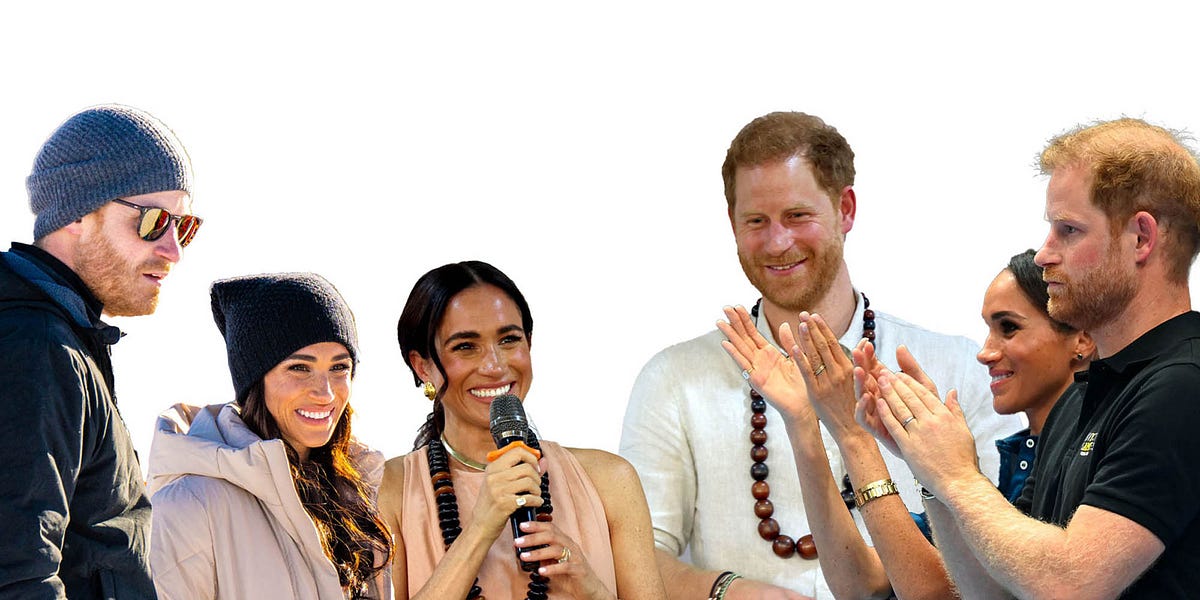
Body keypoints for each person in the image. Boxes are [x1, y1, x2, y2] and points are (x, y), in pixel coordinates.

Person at [619, 111, 1021, 599]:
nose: (778, 242)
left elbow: (1005, 549)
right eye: (756, 221)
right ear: (732, 224)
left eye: (797, 216)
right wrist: (736, 592)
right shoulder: (674, 380)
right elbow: (635, 556)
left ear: (845, 209)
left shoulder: (958, 368)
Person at [865, 117, 1200, 598]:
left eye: (1069, 230)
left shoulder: (1183, 386)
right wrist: (933, 471)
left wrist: (956, 474)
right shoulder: (1077, 401)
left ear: (1141, 239)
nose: (1044, 254)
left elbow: (1071, 584)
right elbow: (999, 592)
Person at [0, 104, 199, 598]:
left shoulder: (61, 339)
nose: (174, 249)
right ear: (76, 213)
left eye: (184, 226)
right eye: (154, 221)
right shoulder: (36, 348)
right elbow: (18, 574)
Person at [377, 260, 666, 599]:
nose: (494, 365)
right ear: (422, 366)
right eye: (465, 346)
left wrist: (591, 589)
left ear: (529, 343)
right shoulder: (387, 491)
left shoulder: (610, 481)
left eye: (509, 339)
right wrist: (481, 526)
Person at [147, 273, 393, 599]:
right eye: (299, 368)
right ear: (255, 379)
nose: (326, 393)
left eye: (339, 368)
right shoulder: (190, 504)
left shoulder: (357, 492)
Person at [978, 249, 1093, 502]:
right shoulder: (1023, 456)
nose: (984, 353)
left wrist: (954, 474)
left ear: (1082, 339)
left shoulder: (1098, 457)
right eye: (989, 329)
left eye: (1009, 327)